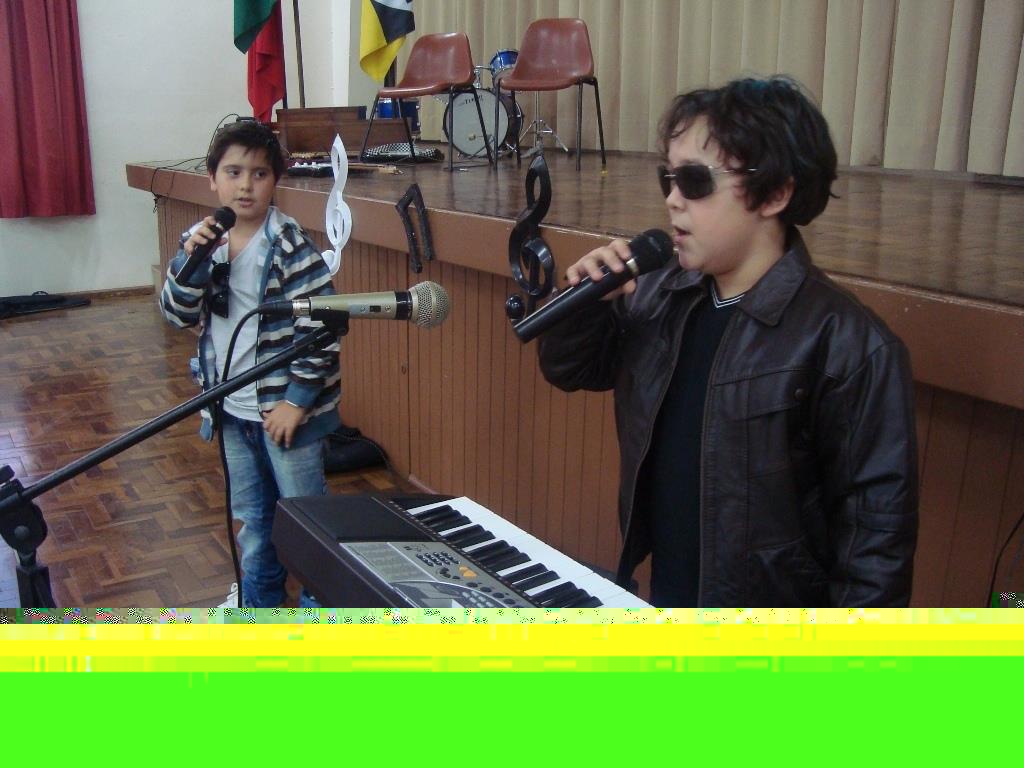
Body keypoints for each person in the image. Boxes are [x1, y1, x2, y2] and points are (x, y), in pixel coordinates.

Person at [538, 76, 919, 608]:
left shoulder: (849, 344)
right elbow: (570, 369)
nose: (672, 200)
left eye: (694, 181)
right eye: (667, 178)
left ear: (776, 193)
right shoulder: (658, 292)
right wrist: (586, 305)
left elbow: (876, 546)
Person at [160, 120, 341, 608]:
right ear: (212, 178)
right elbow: (175, 314)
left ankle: (320, 617)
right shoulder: (201, 241)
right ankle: (260, 613)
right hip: (230, 409)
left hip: (284, 413)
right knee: (254, 524)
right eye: (233, 172)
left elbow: (323, 327)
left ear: (275, 181)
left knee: (307, 522)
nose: (245, 185)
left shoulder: (288, 244)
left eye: (259, 174)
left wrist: (296, 402)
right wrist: (192, 263)